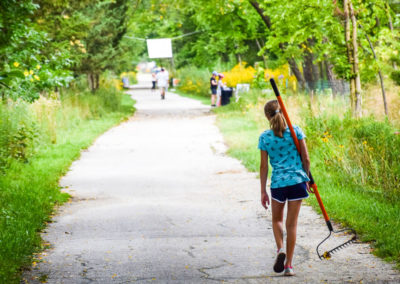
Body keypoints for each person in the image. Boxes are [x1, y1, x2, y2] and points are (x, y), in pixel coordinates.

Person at [258, 100, 311, 277]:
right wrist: (308, 178)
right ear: (284, 111)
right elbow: (306, 158)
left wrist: (263, 191)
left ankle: (280, 248)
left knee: (277, 220)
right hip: (297, 181)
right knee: (292, 224)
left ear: (267, 116)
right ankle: (288, 265)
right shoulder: (296, 132)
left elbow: (263, 167)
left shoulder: (265, 137)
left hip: (278, 184)